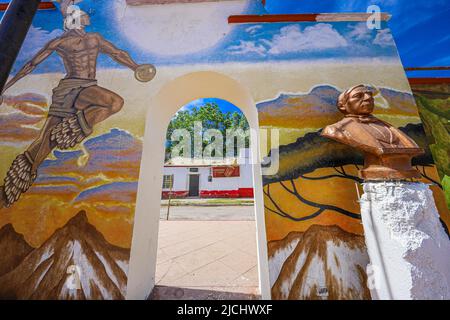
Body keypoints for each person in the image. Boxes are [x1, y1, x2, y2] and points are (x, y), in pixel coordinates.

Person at [0, 9, 155, 208]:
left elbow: (117, 53)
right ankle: (23, 175)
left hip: (85, 87)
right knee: (113, 103)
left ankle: (43, 152)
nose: (88, 15)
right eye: (83, 14)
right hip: (73, 87)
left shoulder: (95, 38)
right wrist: (6, 85)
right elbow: (30, 64)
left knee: (48, 137)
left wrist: (135, 67)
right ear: (75, 19)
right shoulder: (60, 42)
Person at [321, 84, 423, 180]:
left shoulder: (387, 126)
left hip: (405, 174)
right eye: (358, 96)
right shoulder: (336, 130)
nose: (368, 98)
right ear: (342, 106)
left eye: (369, 94)